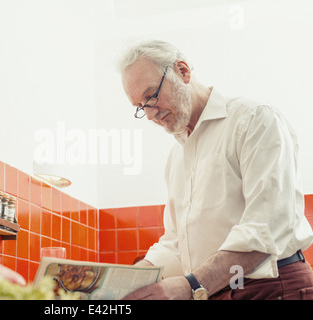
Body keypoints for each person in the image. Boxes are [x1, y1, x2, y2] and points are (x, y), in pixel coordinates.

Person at [118, 40, 313, 300]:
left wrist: (191, 285)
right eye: (140, 108)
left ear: (183, 71)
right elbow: (176, 244)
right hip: (216, 290)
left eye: (151, 96)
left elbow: (266, 227)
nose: (151, 114)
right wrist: (125, 281)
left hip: (273, 287)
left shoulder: (254, 120)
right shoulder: (176, 157)